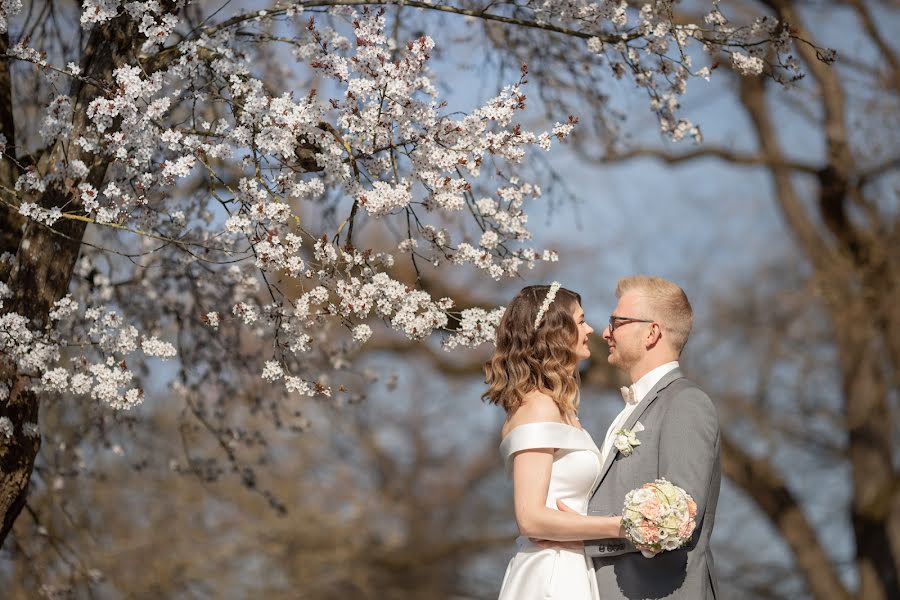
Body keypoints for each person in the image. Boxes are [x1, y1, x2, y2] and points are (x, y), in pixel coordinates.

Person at [578, 275, 721, 599]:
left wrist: (577, 533)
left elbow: (679, 519)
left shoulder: (685, 403)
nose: (605, 332)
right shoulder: (633, 407)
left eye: (616, 322)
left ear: (652, 332)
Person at [484, 283, 621, 600]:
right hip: (552, 577)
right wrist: (619, 527)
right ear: (558, 331)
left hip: (573, 567)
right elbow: (530, 517)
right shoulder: (538, 407)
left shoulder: (560, 408)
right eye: (582, 320)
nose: (590, 330)